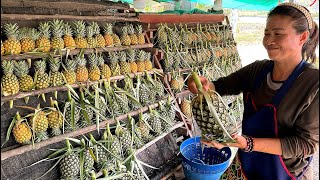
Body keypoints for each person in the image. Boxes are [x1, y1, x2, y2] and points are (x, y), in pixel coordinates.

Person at [187, 2, 319, 180]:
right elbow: (221, 86)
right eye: (266, 33)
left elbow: (306, 145)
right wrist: (202, 85)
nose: (269, 40)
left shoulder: (313, 83)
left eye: (278, 34)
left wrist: (248, 143)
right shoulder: (258, 70)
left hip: (285, 174)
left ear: (302, 37)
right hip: (247, 165)